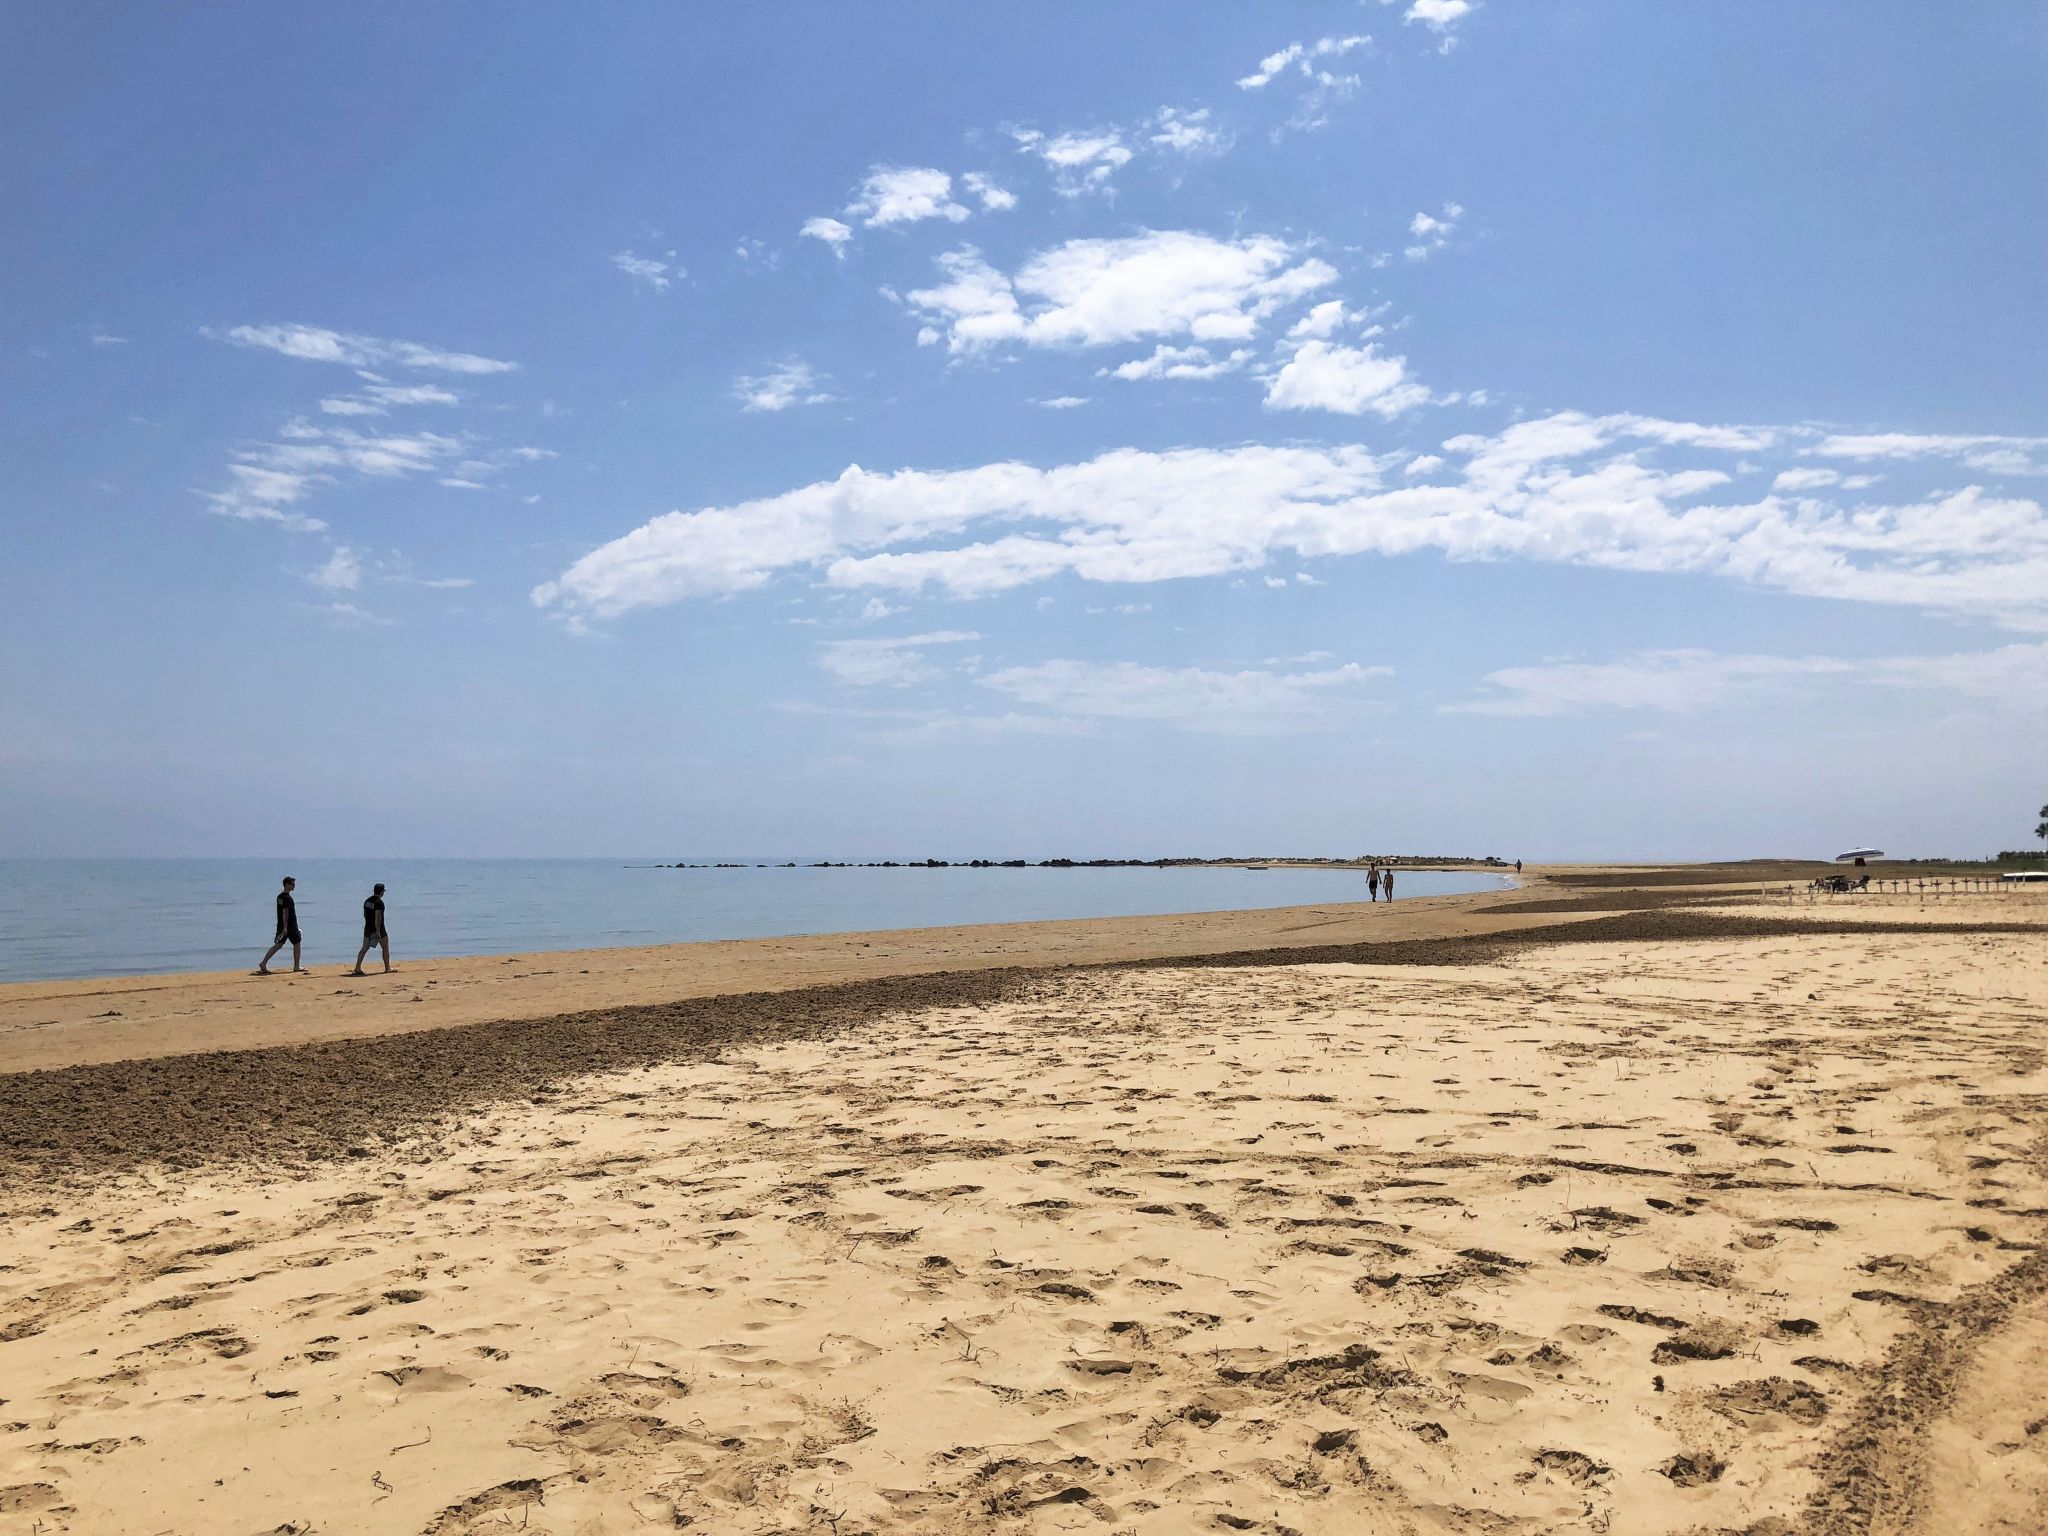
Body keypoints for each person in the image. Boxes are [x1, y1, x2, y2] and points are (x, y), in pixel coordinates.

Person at [258, 876, 304, 974]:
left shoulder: (280, 897)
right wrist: (286, 927)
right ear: (287, 884)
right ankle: (297, 966)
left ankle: (263, 962)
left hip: (282, 925)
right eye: (292, 884)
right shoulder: (287, 898)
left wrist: (283, 927)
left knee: (279, 944)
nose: (294, 886)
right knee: (297, 943)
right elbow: (285, 912)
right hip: (290, 926)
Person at [351, 882, 391, 975]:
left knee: (364, 948)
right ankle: (387, 968)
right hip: (379, 928)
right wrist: (377, 931)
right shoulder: (379, 902)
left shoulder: (367, 901)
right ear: (382, 892)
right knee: (385, 947)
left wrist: (368, 925)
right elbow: (378, 917)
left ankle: (357, 967)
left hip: (368, 927)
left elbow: (365, 914)